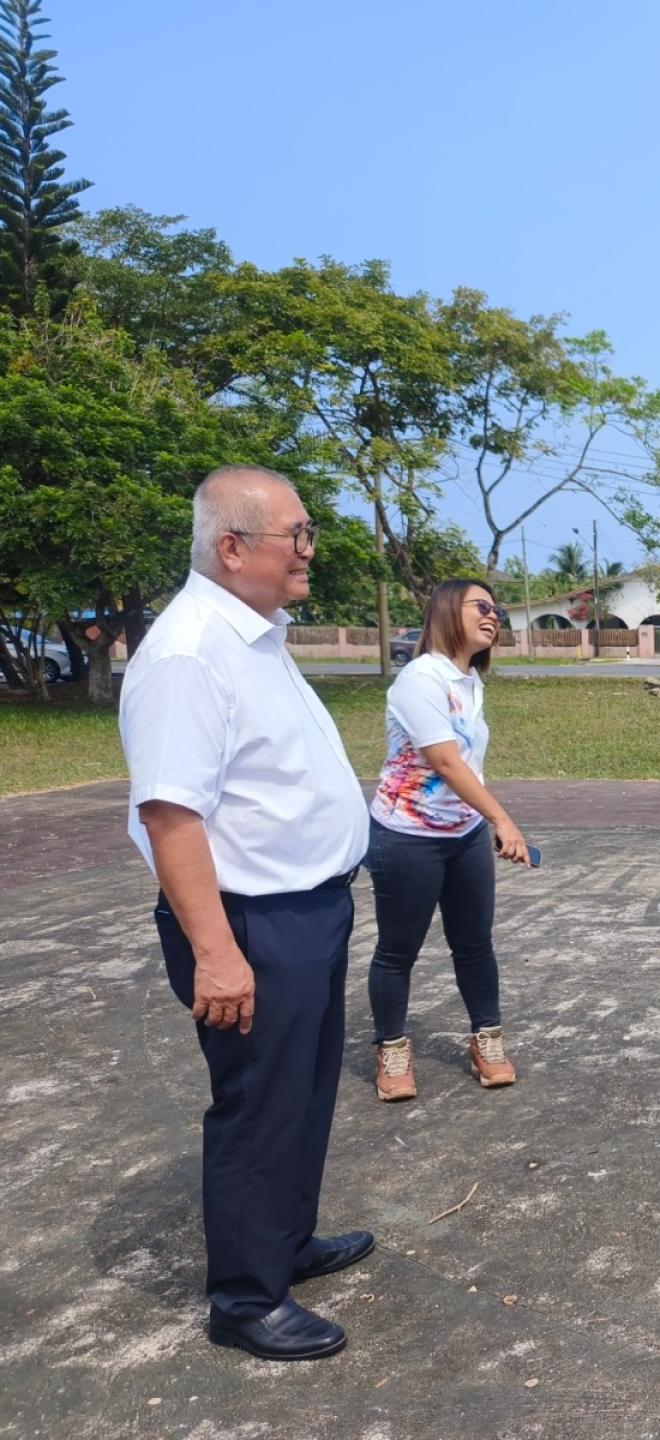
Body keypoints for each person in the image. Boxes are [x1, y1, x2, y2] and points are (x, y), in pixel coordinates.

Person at [119, 466, 373, 1361]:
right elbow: (171, 814)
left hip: (308, 912)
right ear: (233, 548)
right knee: (258, 1105)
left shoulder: (256, 636)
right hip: (249, 926)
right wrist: (218, 955)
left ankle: (285, 1242)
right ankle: (243, 1299)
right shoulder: (190, 651)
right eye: (295, 537)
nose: (310, 552)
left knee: (301, 1094)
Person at [365, 578, 530, 1101]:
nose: (493, 615)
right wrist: (503, 819)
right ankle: (391, 1046)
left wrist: (482, 820)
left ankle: (488, 1038)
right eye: (480, 606)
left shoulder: (468, 681)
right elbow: (444, 761)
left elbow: (467, 766)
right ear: (445, 611)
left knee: (475, 943)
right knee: (398, 950)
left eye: (496, 609)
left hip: (461, 833)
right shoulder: (421, 678)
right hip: (407, 835)